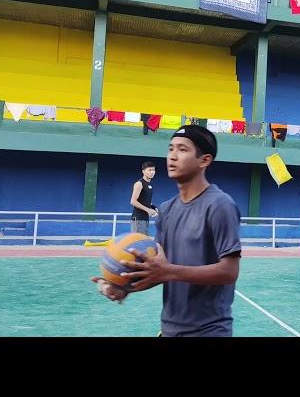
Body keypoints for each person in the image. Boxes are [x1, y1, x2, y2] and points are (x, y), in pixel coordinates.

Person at [92, 124, 242, 337]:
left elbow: (229, 271)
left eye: (182, 149)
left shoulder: (220, 206)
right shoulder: (167, 210)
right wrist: (123, 287)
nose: (172, 156)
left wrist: (169, 271)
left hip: (208, 331)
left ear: (204, 160)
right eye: (170, 148)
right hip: (170, 329)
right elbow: (158, 271)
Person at [130, 161, 158, 235]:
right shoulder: (139, 184)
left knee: (144, 243)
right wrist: (148, 210)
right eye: (149, 170)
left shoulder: (149, 185)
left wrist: (153, 207)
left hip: (145, 219)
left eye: (153, 170)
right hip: (138, 219)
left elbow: (146, 201)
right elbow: (133, 201)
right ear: (143, 171)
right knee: (138, 244)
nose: (152, 172)